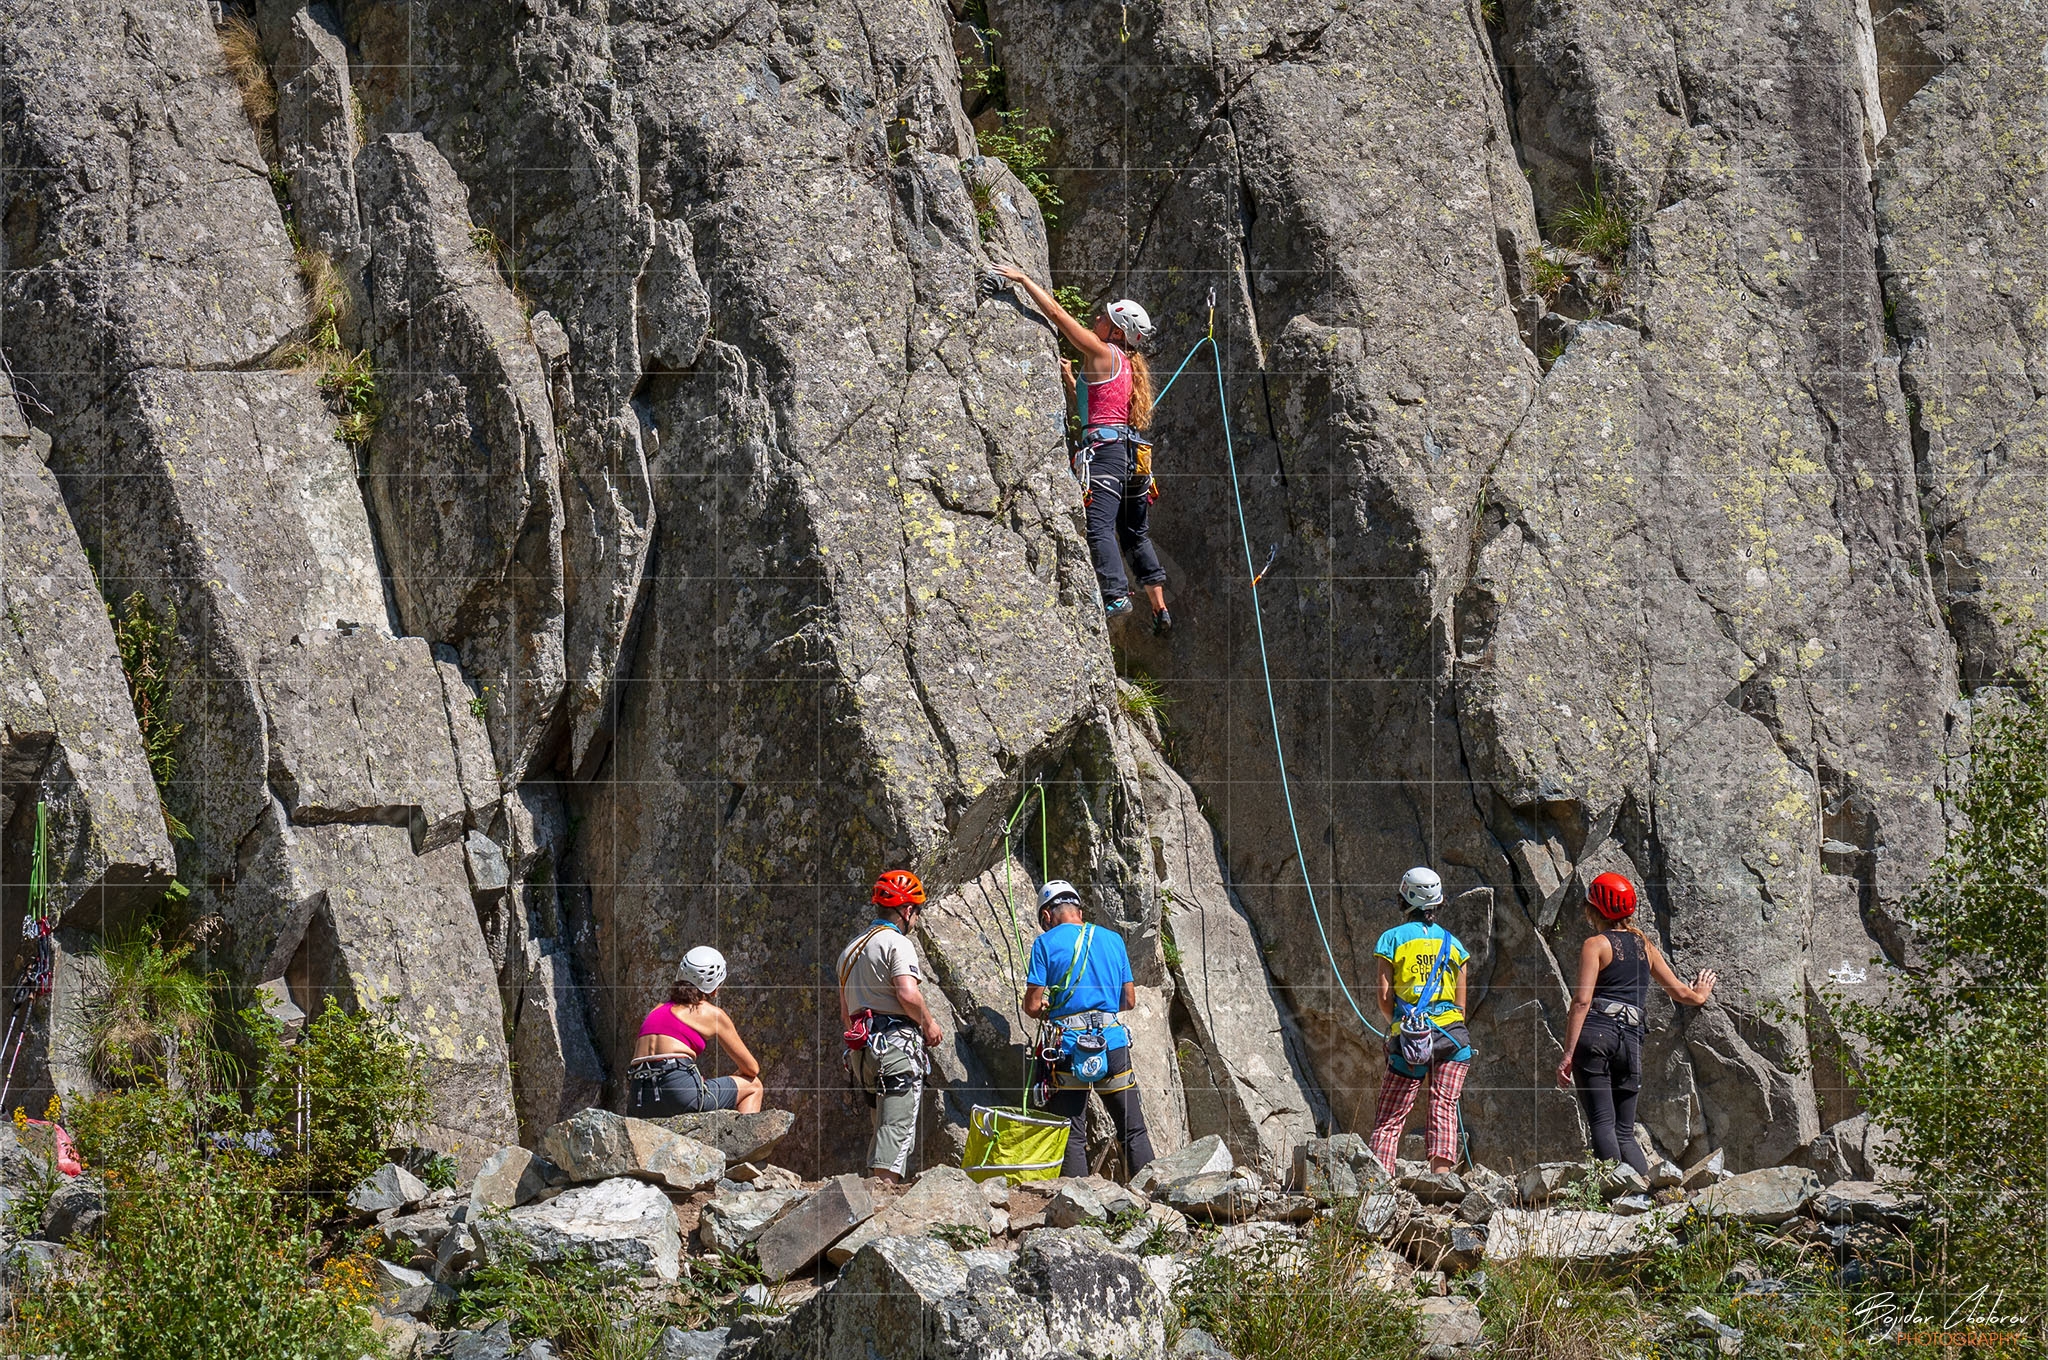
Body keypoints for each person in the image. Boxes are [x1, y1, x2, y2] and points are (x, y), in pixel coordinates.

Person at [990, 263, 1170, 635]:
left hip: (1105, 454)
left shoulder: (1102, 350)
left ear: (1117, 330)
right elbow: (1098, 406)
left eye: (1104, 317)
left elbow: (1057, 315)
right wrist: (1073, 381)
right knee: (1135, 533)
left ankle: (1116, 596)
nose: (1097, 319)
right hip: (1131, 455)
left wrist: (1022, 279)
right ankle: (1160, 608)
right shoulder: (1125, 364)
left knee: (1099, 527)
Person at [1555, 872, 1717, 1176]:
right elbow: (1681, 992)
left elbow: (1581, 1002)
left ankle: (1614, 1195)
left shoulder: (1596, 945)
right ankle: (1648, 1196)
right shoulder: (1645, 945)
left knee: (1602, 1123)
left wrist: (1567, 1054)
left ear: (1594, 910)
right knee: (1625, 1132)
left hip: (1596, 1034)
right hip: (1631, 1039)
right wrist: (1700, 994)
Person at [1022, 879, 1155, 1180]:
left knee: (1072, 1133)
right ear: (1079, 910)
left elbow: (1032, 1006)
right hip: (1112, 1043)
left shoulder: (1045, 944)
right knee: (1132, 1128)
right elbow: (1129, 1000)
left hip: (1068, 1045)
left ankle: (1079, 1212)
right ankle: (1154, 1199)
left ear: (1046, 916)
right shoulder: (1112, 939)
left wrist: (1054, 1005)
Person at [838, 869, 944, 1184]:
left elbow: (846, 1013)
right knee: (897, 1128)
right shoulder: (896, 943)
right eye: (916, 912)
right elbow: (907, 993)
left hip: (863, 1052)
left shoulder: (850, 951)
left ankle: (875, 1189)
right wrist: (929, 1023)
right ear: (907, 910)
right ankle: (882, 1193)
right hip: (895, 1045)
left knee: (882, 1125)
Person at [1368, 867, 1473, 1174]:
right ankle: (1441, 1181)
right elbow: (1461, 1006)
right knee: (1444, 1106)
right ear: (1437, 903)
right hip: (1454, 1037)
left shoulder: (1392, 940)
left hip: (1411, 1038)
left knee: (1391, 1116)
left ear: (1405, 899)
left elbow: (1385, 996)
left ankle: (1379, 1183)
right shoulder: (1455, 945)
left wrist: (1400, 1026)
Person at [627, 946, 765, 1116]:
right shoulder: (711, 1014)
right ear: (714, 987)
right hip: (679, 1094)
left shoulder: (657, 1009)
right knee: (753, 1086)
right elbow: (752, 1069)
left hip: (639, 1100)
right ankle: (744, 1142)